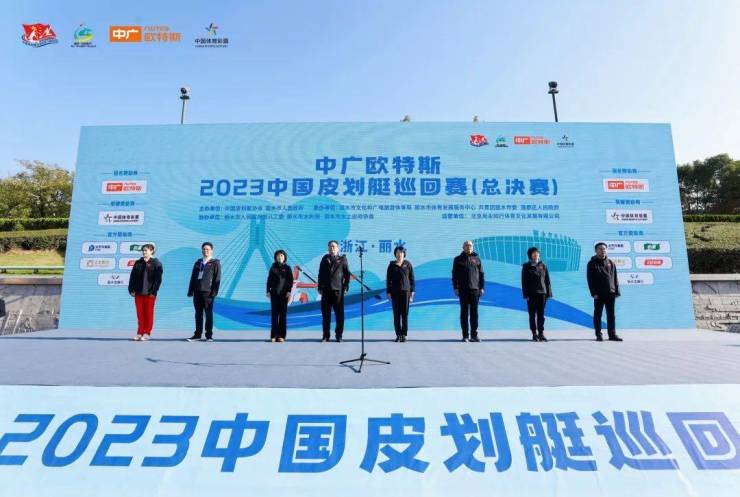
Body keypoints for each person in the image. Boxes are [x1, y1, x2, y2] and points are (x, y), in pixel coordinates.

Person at [587, 242, 623, 342]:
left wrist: (617, 291)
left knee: (611, 315)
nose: (602, 250)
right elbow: (590, 280)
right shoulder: (592, 263)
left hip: (611, 293)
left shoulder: (611, 263)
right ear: (596, 250)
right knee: (598, 314)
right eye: (600, 249)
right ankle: (598, 334)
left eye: (604, 249)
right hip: (598, 294)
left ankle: (612, 334)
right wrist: (593, 293)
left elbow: (614, 278)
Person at [186, 242, 221, 342]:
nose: (205, 251)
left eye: (207, 249)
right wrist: (190, 290)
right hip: (197, 291)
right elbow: (193, 277)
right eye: (204, 249)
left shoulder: (215, 263)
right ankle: (197, 335)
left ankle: (209, 335)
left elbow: (217, 278)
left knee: (208, 314)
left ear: (211, 250)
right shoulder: (198, 262)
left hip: (208, 292)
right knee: (198, 314)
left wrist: (214, 292)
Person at [128, 243, 162, 341]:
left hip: (149, 293)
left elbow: (158, 280)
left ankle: (147, 333)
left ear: (152, 251)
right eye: (143, 250)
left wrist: (153, 292)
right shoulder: (138, 263)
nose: (144, 252)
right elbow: (132, 277)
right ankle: (140, 332)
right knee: (140, 314)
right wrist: (131, 289)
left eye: (146, 250)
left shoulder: (156, 263)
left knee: (148, 314)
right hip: (138, 293)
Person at [452, 240, 485, 342]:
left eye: (470, 245)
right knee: (464, 313)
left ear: (472, 247)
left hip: (475, 290)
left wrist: (482, 288)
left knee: (474, 313)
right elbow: (454, 275)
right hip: (463, 290)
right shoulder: (458, 259)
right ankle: (465, 335)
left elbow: (481, 275)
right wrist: (455, 288)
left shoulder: (477, 259)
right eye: (466, 245)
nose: (468, 247)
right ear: (463, 247)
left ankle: (474, 335)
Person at [317, 240, 350, 342]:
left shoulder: (342, 259)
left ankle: (339, 335)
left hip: (338, 291)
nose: (332, 248)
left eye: (334, 246)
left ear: (338, 248)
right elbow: (320, 274)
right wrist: (320, 287)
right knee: (326, 315)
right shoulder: (324, 259)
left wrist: (345, 287)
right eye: (330, 246)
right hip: (326, 291)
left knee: (339, 315)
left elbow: (347, 275)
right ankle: (325, 336)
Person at [521, 247, 552, 342]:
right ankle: (534, 334)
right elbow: (524, 281)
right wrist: (526, 294)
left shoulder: (543, 265)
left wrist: (549, 293)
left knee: (541, 314)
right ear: (530, 255)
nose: (536, 255)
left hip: (542, 293)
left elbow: (547, 280)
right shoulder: (526, 266)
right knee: (532, 315)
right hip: (531, 294)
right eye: (534, 253)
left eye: (537, 253)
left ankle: (541, 333)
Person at [386, 246, 416, 342]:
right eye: (398, 252)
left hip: (406, 292)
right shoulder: (392, 265)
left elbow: (412, 279)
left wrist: (412, 292)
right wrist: (388, 292)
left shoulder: (408, 264)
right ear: (395, 254)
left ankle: (404, 334)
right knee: (396, 314)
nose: (399, 254)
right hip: (395, 293)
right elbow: (388, 280)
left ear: (404, 254)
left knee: (405, 314)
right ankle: (398, 334)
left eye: (401, 252)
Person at [266, 249, 294, 342]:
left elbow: (290, 281)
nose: (280, 257)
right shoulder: (273, 267)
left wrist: (289, 291)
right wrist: (268, 291)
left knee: (282, 316)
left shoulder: (287, 268)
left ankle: (281, 336)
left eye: (281, 255)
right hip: (274, 294)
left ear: (284, 257)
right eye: (278, 255)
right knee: (274, 315)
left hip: (284, 295)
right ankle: (274, 335)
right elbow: (269, 280)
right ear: (275, 257)